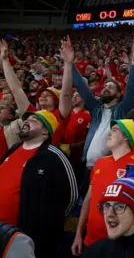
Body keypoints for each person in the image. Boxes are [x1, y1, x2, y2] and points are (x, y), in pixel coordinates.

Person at [69, 35, 134, 196]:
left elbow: (131, 88)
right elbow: (81, 86)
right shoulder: (96, 109)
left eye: (111, 87)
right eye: (105, 86)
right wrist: (70, 63)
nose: (106, 88)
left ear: (118, 94)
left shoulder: (123, 109)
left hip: (110, 165)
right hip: (86, 166)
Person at [0, 109, 78, 258]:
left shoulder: (54, 156)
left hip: (23, 239)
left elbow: (72, 198)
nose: (27, 121)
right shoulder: (14, 149)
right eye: (26, 119)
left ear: (45, 132)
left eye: (34, 120)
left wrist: (45, 220)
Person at [72, 119, 134, 255]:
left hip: (118, 245)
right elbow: (88, 199)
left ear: (126, 137)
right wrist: (78, 234)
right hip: (90, 240)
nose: (109, 133)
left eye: (115, 130)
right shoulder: (100, 162)